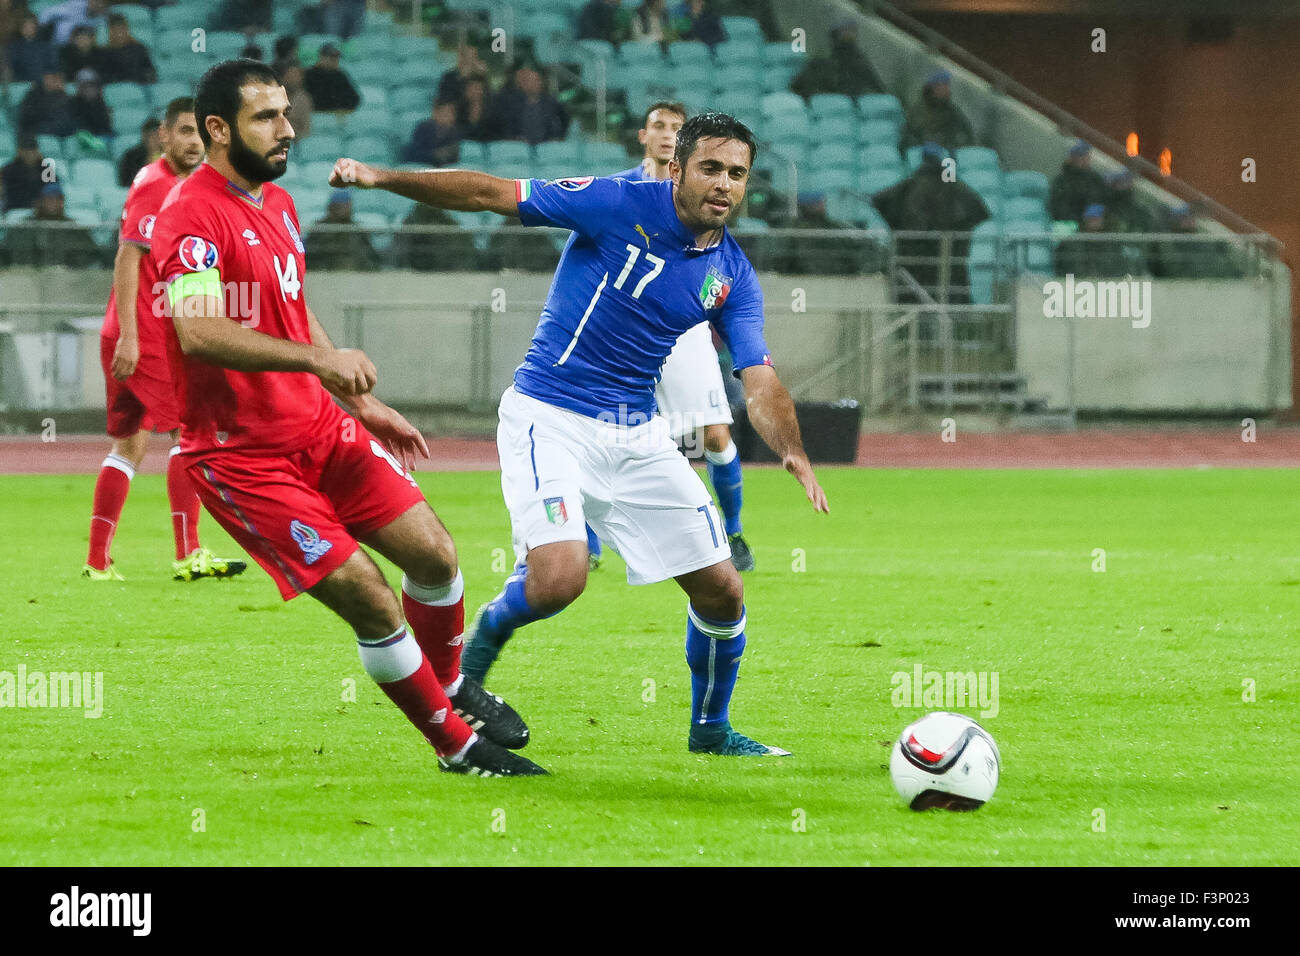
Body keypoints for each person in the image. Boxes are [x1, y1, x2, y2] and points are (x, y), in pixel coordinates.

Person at [331, 111, 831, 756]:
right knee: (559, 581)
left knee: (722, 589)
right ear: (676, 169)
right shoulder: (615, 201)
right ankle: (462, 675)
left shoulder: (732, 273)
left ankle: (711, 729)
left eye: (737, 174)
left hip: (637, 432)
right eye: (710, 168)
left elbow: (758, 378)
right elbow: (491, 193)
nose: (724, 185)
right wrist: (380, 177)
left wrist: (791, 449)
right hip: (549, 415)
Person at [152, 59, 541, 777]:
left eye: (286, 113)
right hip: (243, 456)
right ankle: (456, 747)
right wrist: (317, 365)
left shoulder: (276, 204)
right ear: (216, 129)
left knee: (436, 557)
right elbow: (199, 331)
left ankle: (451, 684)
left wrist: (359, 401)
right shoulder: (188, 214)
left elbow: (294, 315)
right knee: (368, 595)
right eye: (266, 116)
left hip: (322, 431)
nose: (287, 129)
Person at [83, 98, 246, 582]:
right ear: (163, 136)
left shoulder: (166, 183)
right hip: (144, 332)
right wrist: (131, 339)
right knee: (190, 432)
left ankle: (97, 561)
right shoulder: (157, 185)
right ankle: (189, 552)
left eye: (200, 133)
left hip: (132, 330)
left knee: (128, 445)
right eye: (184, 132)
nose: (195, 142)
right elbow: (128, 258)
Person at [604, 101, 755, 572]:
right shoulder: (621, 191)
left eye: (676, 127)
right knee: (602, 431)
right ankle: (587, 547)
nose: (668, 133)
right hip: (623, 332)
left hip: (683, 333)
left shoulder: (702, 189)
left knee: (712, 434)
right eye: (659, 126)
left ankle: (733, 532)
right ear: (643, 137)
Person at [872, 142, 990, 301]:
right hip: (950, 271)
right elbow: (980, 211)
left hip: (913, 269)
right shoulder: (957, 189)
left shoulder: (907, 187)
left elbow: (879, 201)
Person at [2, 181, 102, 265]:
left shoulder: (73, 228)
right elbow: (8, 253)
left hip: (67, 280)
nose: (53, 202)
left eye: (57, 199)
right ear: (40, 201)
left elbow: (91, 254)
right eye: (49, 198)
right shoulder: (24, 226)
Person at [791, 18, 884, 99]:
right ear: (836, 36)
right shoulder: (822, 60)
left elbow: (878, 89)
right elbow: (801, 87)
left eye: (852, 31)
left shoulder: (860, 62)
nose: (850, 34)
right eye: (846, 31)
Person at [485, 63, 568, 144]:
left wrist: (556, 137)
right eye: (528, 81)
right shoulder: (511, 103)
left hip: (545, 148)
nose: (530, 84)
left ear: (541, 82)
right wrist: (514, 138)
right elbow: (506, 126)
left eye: (535, 81)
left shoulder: (551, 103)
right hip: (519, 148)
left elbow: (562, 121)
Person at [899, 68, 974, 156]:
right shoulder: (918, 110)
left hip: (946, 155)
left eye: (947, 85)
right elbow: (908, 136)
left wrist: (949, 146)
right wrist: (924, 145)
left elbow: (965, 133)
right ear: (933, 88)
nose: (947, 89)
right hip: (921, 154)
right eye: (943, 86)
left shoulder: (952, 112)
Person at [305, 189, 381, 271]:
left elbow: (371, 257)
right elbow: (309, 256)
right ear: (331, 207)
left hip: (356, 276)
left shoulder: (357, 230)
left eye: (347, 205)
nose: (344, 209)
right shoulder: (320, 229)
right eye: (339, 206)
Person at [1053, 203, 1128, 278]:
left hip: (1106, 284)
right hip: (1077, 283)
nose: (1093, 221)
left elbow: (1117, 268)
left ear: (1104, 219)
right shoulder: (1072, 242)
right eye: (1090, 218)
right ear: (1084, 219)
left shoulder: (1112, 242)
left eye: (1096, 218)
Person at [1048, 139, 1106, 225]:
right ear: (1071, 158)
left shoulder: (1096, 178)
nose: (1084, 159)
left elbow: (1104, 200)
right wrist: (1083, 220)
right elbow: (1058, 209)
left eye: (1086, 155)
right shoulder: (1061, 181)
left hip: (1099, 227)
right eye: (1080, 156)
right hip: (1073, 227)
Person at [93, 12, 156, 84]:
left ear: (127, 30)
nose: (119, 34)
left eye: (121, 29)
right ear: (110, 31)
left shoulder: (139, 48)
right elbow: (103, 75)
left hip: (138, 87)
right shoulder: (104, 52)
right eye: (115, 30)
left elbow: (149, 70)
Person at [401, 98, 462, 166]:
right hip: (419, 166)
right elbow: (412, 153)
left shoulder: (453, 133)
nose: (447, 117)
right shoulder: (423, 128)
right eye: (444, 113)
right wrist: (435, 155)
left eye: (450, 114)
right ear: (435, 113)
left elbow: (454, 158)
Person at [18, 67, 77, 138]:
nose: (56, 81)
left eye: (58, 79)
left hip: (60, 129)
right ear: (44, 79)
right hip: (37, 129)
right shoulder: (33, 95)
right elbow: (27, 117)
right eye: (52, 78)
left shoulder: (63, 96)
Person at [303, 42, 360, 113]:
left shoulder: (340, 75)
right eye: (331, 57)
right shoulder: (309, 75)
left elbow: (354, 98)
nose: (335, 60)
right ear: (321, 57)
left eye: (337, 57)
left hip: (334, 116)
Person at [2, 133, 48, 211]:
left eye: (32, 150)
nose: (30, 154)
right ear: (19, 151)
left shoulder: (46, 170)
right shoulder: (8, 170)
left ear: (37, 151)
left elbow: (54, 191)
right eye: (26, 151)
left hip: (40, 213)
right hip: (13, 211)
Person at [7, 12, 56, 83]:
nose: (28, 29)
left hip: (44, 84)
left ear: (36, 27)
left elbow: (52, 67)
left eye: (31, 25)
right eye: (25, 26)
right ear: (20, 28)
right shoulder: (14, 47)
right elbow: (13, 68)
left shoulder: (46, 46)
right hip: (22, 84)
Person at [38, 0, 106, 47]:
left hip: (80, 50)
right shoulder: (76, 6)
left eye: (100, 2)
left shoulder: (102, 21)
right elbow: (46, 14)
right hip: (56, 45)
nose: (96, 4)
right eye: (94, 1)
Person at [117, 117, 162, 186]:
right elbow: (126, 181)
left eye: (158, 136)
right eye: (152, 136)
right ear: (144, 136)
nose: (155, 139)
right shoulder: (131, 157)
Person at [70, 67, 112, 138]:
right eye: (84, 86)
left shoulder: (101, 103)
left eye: (92, 85)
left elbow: (105, 126)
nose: (89, 89)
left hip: (104, 136)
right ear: (79, 88)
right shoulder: (73, 104)